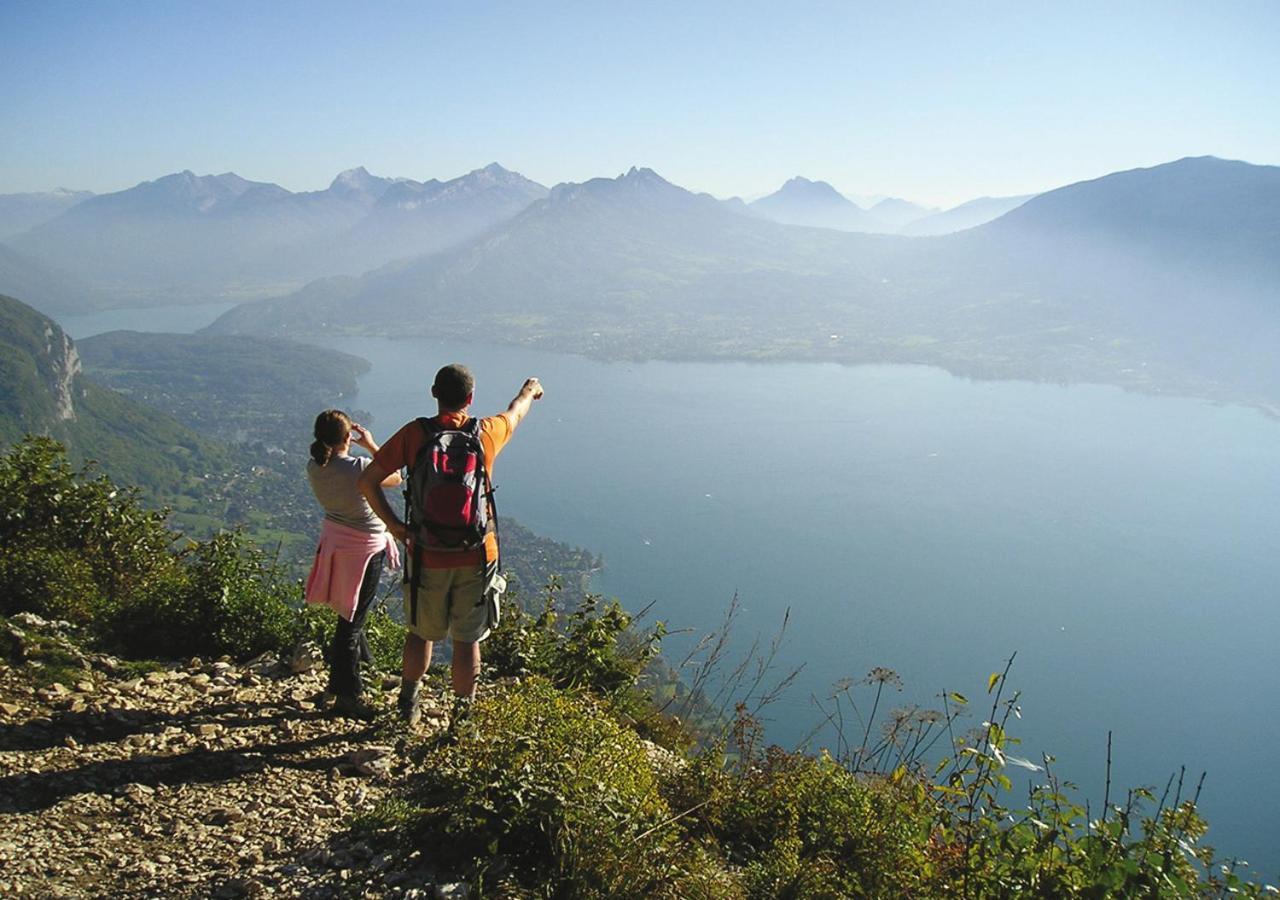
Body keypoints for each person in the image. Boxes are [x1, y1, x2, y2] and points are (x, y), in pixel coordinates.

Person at [358, 364, 543, 727]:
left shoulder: (415, 434)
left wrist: (396, 527)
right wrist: (530, 391)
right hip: (476, 554)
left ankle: (407, 706)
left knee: (420, 634)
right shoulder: (486, 432)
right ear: (470, 399)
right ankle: (462, 722)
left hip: (426, 553)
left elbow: (368, 481)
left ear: (434, 393)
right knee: (467, 640)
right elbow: (516, 411)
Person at [304, 410, 402, 720]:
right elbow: (396, 478)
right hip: (364, 550)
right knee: (351, 624)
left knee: (348, 613)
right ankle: (349, 695)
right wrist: (371, 445)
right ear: (349, 438)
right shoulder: (359, 467)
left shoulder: (315, 466)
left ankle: (361, 676)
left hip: (336, 545)